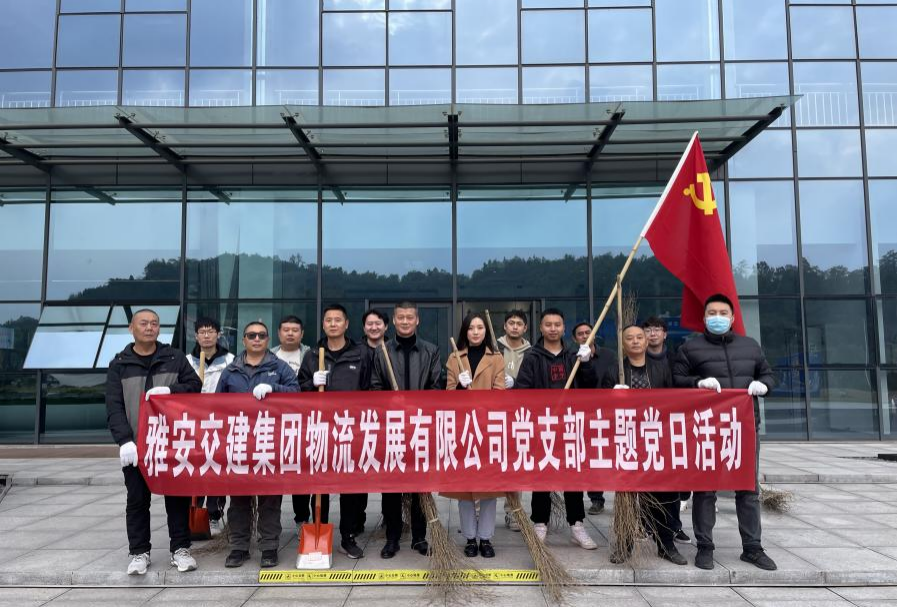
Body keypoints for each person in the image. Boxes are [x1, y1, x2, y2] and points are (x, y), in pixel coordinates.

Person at [672, 293, 778, 572]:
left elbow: (768, 375)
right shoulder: (690, 348)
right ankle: (705, 546)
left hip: (744, 428)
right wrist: (697, 383)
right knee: (705, 489)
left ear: (732, 318)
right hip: (706, 429)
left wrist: (764, 385)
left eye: (722, 313)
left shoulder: (750, 346)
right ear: (704, 317)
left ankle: (752, 548)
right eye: (712, 313)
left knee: (748, 489)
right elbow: (676, 380)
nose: (717, 318)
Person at [105, 308, 202, 576]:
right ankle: (139, 552)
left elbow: (195, 386)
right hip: (136, 446)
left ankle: (180, 549)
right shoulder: (119, 364)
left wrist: (171, 390)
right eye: (144, 323)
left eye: (154, 323)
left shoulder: (174, 357)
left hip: (171, 444)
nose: (149, 328)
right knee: (137, 499)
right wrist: (125, 440)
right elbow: (114, 407)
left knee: (177, 499)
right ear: (131, 328)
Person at [600, 324, 687, 566]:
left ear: (647, 341)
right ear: (623, 344)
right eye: (630, 338)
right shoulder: (615, 371)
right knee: (626, 496)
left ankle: (666, 545)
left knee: (662, 495)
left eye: (640, 337)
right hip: (626, 439)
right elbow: (599, 404)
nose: (636, 341)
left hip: (656, 439)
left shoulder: (662, 368)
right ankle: (624, 544)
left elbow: (675, 401)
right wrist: (611, 395)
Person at [514, 308, 598, 550]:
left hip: (570, 424)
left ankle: (577, 525)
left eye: (557, 324)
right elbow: (522, 390)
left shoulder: (574, 355)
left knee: (573, 475)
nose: (553, 328)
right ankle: (540, 523)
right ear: (541, 328)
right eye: (548, 324)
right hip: (543, 424)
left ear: (563, 327)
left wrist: (587, 365)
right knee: (542, 474)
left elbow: (591, 388)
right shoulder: (532, 356)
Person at [217, 321, 299, 569]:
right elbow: (216, 407)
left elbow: (297, 394)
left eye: (261, 335)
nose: (256, 339)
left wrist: (273, 388)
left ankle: (269, 547)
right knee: (239, 500)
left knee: (270, 499)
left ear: (267, 340)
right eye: (251, 335)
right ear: (243, 340)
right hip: (239, 442)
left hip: (270, 441)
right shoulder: (230, 371)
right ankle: (239, 547)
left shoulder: (280, 367)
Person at [297, 304, 371, 561]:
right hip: (320, 428)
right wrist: (311, 383)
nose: (333, 324)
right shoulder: (312, 355)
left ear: (346, 324)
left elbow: (370, 389)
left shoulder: (360, 354)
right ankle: (319, 527)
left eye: (337, 320)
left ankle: (348, 537)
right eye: (328, 320)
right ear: (323, 324)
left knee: (350, 486)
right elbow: (298, 389)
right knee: (320, 485)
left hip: (350, 429)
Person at [370, 302, 442, 559]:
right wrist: (391, 402)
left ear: (417, 320)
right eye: (400, 317)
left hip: (420, 425)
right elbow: (375, 387)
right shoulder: (382, 351)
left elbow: (436, 386)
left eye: (409, 317)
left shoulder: (431, 351)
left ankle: (419, 537)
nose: (405, 321)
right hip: (392, 427)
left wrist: (416, 405)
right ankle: (392, 537)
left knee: (420, 485)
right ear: (394, 320)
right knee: (391, 486)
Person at [442, 312, 506, 559]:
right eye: (471, 328)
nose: (476, 332)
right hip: (463, 429)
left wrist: (483, 406)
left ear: (486, 331)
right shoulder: (454, 357)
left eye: (480, 327)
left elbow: (500, 392)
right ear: (465, 332)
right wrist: (459, 385)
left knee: (489, 487)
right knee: (465, 488)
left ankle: (486, 538)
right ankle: (470, 537)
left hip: (488, 427)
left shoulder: (496, 358)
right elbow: (448, 396)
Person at [642, 316, 690, 544]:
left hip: (672, 426)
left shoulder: (676, 359)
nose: (652, 334)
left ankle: (674, 526)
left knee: (673, 480)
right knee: (646, 480)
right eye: (648, 330)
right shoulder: (636, 360)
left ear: (665, 334)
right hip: (645, 426)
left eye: (657, 330)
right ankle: (645, 524)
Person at [186, 316, 234, 536]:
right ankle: (195, 511)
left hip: (220, 423)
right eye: (202, 332)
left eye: (210, 331)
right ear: (196, 336)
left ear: (218, 334)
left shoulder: (230, 360)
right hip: (193, 423)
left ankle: (215, 515)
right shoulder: (187, 361)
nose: (206, 336)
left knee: (215, 467)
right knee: (195, 468)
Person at [571, 320, 616, 516]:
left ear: (594, 334)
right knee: (585, 457)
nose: (584, 336)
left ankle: (604, 496)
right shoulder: (572, 357)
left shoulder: (608, 355)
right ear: (575, 339)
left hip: (606, 413)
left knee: (602, 456)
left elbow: (614, 376)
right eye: (580, 334)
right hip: (581, 414)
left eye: (587, 332)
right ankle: (591, 498)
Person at [496, 309, 531, 531]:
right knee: (488, 461)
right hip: (494, 413)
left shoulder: (532, 352)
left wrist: (515, 383)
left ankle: (513, 511)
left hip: (519, 414)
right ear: (505, 326)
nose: (515, 326)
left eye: (519, 323)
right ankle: (479, 511)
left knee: (514, 464)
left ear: (525, 328)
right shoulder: (494, 347)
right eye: (511, 322)